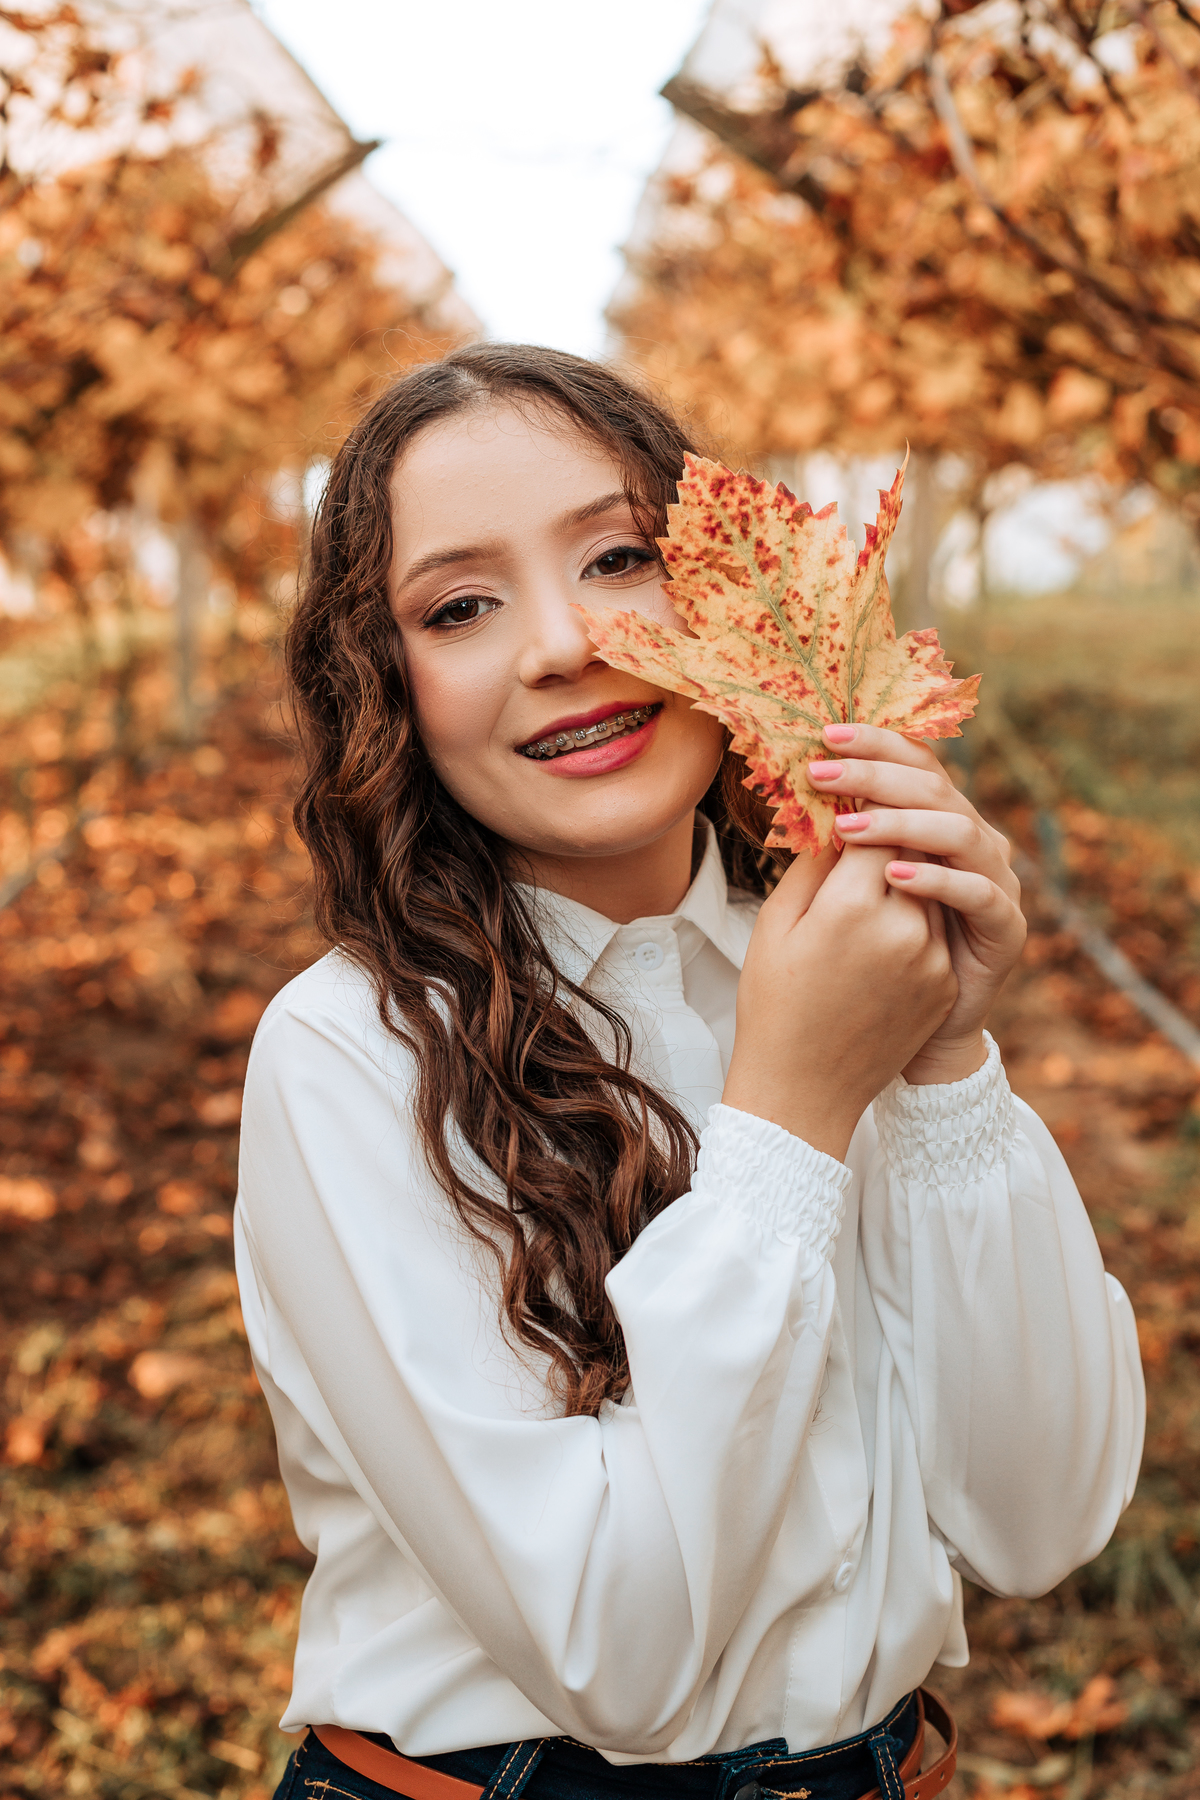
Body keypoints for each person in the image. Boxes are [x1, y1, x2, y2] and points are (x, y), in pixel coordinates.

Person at [236, 344, 1144, 1800]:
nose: (564, 641)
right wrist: (790, 1111)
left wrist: (947, 1060)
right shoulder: (350, 1053)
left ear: (736, 599)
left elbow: (1042, 1518)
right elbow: (617, 1658)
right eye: (459, 605)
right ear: (386, 684)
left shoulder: (841, 959)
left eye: (618, 557)